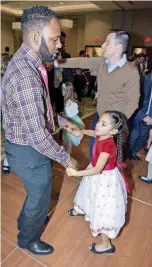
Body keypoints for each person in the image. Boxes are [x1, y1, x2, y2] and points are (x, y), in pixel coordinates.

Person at [1, 6, 82, 256]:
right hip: (28, 149)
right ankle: (27, 238)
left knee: (38, 197)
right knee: (41, 196)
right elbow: (37, 135)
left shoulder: (30, 63)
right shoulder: (27, 75)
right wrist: (66, 157)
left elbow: (40, 111)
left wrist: (63, 122)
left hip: (26, 145)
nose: (59, 44)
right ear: (36, 37)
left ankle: (28, 223)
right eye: (55, 38)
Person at [58, 30, 140, 159]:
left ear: (118, 47)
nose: (102, 46)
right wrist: (56, 63)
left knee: (109, 156)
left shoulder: (131, 71)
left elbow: (133, 103)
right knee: (94, 149)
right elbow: (79, 62)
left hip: (115, 122)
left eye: (107, 43)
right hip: (99, 115)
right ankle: (93, 177)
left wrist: (115, 124)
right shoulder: (102, 62)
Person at [66, 111, 128, 254]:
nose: (98, 125)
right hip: (96, 175)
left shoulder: (108, 146)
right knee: (88, 193)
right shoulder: (102, 134)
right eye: (99, 121)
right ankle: (81, 209)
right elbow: (94, 133)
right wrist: (80, 131)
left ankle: (106, 244)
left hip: (104, 179)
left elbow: (98, 169)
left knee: (103, 209)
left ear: (113, 131)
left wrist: (76, 173)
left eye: (103, 124)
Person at [127, 71, 152, 161]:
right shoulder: (143, 80)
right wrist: (143, 116)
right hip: (136, 113)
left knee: (144, 136)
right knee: (135, 135)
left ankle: (132, 153)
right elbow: (132, 101)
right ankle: (123, 156)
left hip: (149, 116)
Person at [62, 82, 85, 153]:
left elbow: (73, 112)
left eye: (62, 90)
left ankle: (68, 153)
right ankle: (67, 151)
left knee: (69, 137)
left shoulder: (70, 102)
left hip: (72, 121)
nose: (61, 91)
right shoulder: (65, 101)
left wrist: (65, 115)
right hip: (68, 121)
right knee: (66, 137)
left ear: (67, 92)